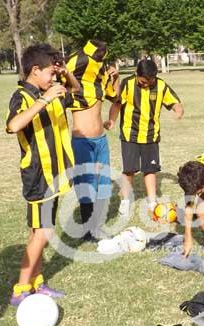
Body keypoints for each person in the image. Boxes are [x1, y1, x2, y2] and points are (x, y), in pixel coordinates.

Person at [6, 44, 80, 306]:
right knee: (44, 233)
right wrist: (45, 99)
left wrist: (66, 73)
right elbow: (14, 125)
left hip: (57, 175)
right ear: (35, 70)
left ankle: (37, 282)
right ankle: (20, 290)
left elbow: (76, 92)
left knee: (39, 232)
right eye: (50, 72)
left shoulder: (51, 91)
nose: (53, 77)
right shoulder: (23, 96)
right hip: (39, 176)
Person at [104, 58, 184, 217]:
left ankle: (152, 202)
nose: (146, 85)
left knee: (150, 169)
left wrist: (178, 111)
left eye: (150, 82)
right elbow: (117, 103)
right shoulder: (127, 84)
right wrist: (112, 120)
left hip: (151, 135)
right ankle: (125, 201)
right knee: (129, 170)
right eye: (142, 82)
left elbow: (175, 103)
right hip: (130, 134)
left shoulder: (160, 86)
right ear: (136, 74)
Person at [62, 40, 120, 241]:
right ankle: (89, 229)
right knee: (87, 184)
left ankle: (98, 225)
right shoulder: (74, 77)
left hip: (101, 139)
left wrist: (116, 77)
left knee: (103, 182)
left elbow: (116, 97)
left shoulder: (100, 76)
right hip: (82, 141)